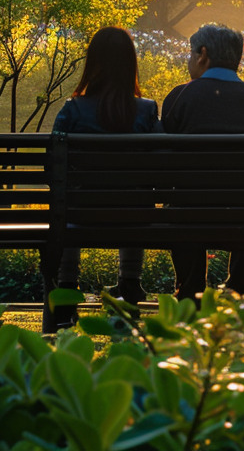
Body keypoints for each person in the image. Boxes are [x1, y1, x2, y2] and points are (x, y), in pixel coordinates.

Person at [162, 23, 244, 299]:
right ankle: (241, 294)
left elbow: (165, 169)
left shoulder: (180, 96)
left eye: (191, 54)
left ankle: (190, 291)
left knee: (182, 202)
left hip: (189, 215)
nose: (189, 60)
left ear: (202, 54)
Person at [52, 27, 158, 318]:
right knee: (134, 199)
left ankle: (67, 284)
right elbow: (161, 167)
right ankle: (131, 281)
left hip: (80, 213)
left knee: (68, 204)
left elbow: (54, 166)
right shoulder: (147, 111)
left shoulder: (72, 110)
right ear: (130, 65)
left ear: (92, 64)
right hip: (134, 215)